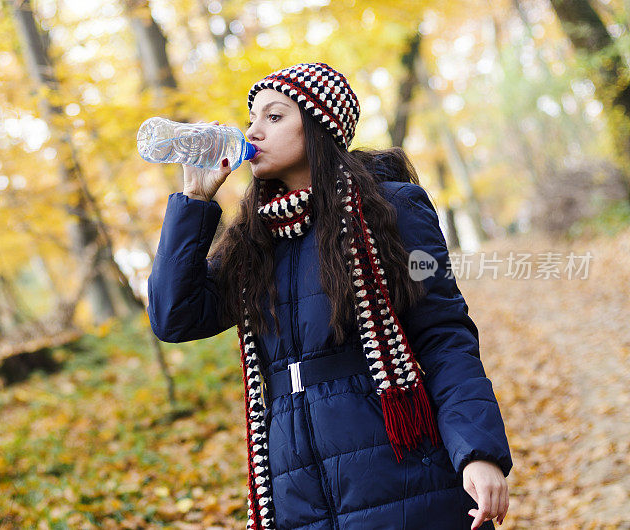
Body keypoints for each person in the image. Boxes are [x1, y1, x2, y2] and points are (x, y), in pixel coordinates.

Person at [147, 62, 512, 530]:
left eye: (274, 117)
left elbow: (444, 337)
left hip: (400, 468)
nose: (253, 130)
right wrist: (194, 201)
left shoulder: (395, 207)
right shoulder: (252, 240)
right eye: (251, 118)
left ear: (320, 126)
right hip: (292, 483)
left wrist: (477, 452)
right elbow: (174, 318)